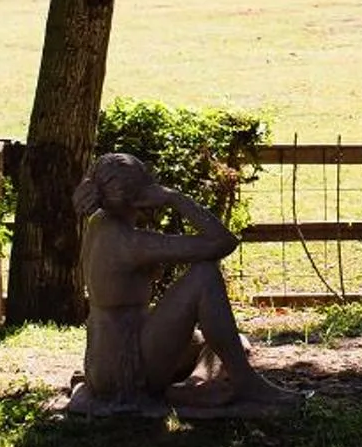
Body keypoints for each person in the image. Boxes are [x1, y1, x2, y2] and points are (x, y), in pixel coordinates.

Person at [69, 150, 285, 414]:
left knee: (230, 342)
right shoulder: (129, 242)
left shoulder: (99, 222)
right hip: (126, 365)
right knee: (204, 276)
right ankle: (246, 384)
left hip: (104, 361)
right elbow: (223, 242)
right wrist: (175, 198)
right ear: (140, 197)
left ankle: (197, 383)